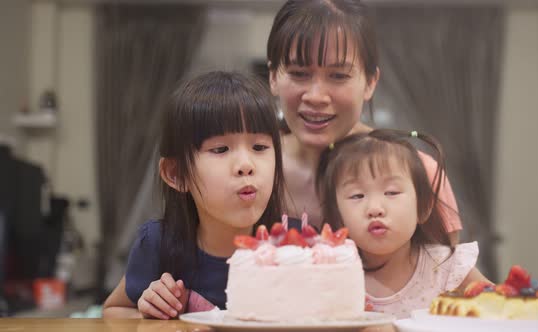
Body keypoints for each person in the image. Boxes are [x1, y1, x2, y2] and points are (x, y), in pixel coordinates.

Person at [267, 0, 462, 243]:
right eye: (299, 73)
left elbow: (447, 275)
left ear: (370, 82)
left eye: (338, 76)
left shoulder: (416, 171)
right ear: (273, 76)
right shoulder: (250, 170)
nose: (316, 96)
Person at [102, 71, 285, 319]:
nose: (246, 164)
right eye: (220, 149)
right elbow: (113, 311)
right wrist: (148, 312)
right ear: (176, 174)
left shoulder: (295, 245)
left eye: (260, 147)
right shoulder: (158, 244)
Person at [315, 129, 489, 319]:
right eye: (357, 195)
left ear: (423, 208)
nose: (375, 208)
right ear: (338, 217)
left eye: (391, 192)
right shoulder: (334, 275)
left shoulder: (448, 267)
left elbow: (503, 311)